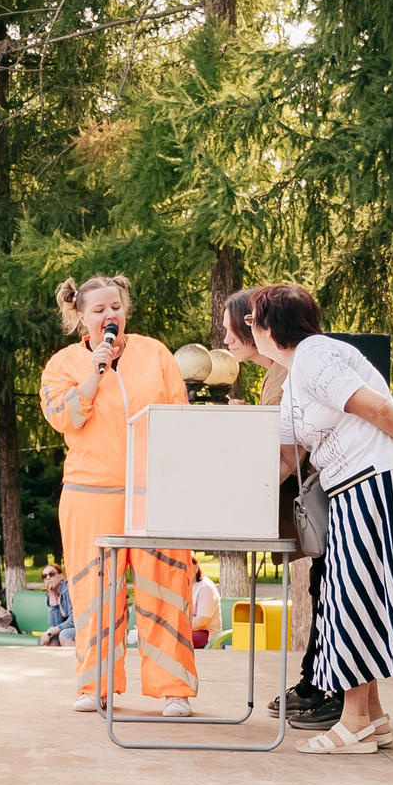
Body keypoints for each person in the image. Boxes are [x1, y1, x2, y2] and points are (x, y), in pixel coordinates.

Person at [244, 285, 393, 754]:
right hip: (358, 485)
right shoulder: (294, 376)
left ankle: (354, 723)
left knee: (352, 600)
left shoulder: (313, 356)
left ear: (269, 326)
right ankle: (373, 718)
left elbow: (378, 408)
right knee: (356, 598)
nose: (248, 330)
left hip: (377, 481)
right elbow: (286, 458)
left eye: (251, 321)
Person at [39, 275, 200, 716]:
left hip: (154, 494)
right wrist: (95, 373)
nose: (110, 316)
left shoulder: (155, 353)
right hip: (90, 495)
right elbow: (64, 417)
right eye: (99, 310)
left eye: (116, 307)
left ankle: (173, 690)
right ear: (80, 316)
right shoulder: (63, 364)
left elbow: (178, 417)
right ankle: (96, 685)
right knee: (95, 593)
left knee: (166, 589)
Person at [223, 288, 340, 729]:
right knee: (323, 590)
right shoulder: (280, 373)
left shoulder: (293, 369)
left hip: (331, 496)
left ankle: (327, 689)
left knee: (330, 594)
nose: (229, 335)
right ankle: (317, 682)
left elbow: (286, 447)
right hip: (327, 495)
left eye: (237, 324)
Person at [39, 562, 74, 648]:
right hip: (67, 627)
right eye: (44, 576)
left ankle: (76, 660)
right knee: (47, 640)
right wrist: (52, 596)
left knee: (64, 634)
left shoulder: (69, 590)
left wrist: (50, 632)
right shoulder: (50, 595)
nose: (48, 578)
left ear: (61, 576)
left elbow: (73, 620)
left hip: (83, 626)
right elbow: (54, 623)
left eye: (51, 574)